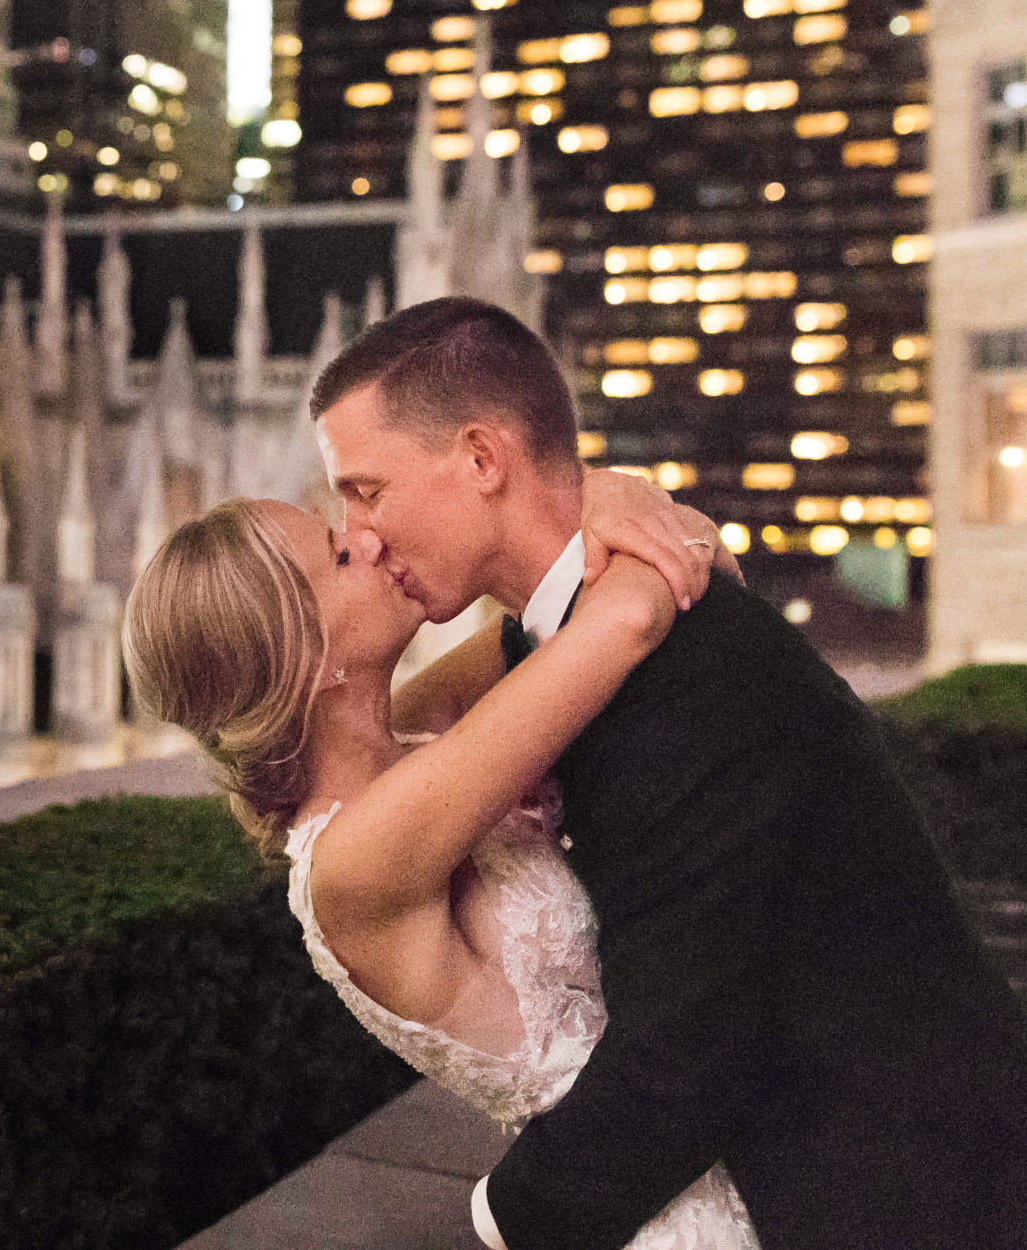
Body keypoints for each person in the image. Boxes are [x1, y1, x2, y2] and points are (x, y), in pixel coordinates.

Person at [310, 296, 1027, 1250]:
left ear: (480, 459)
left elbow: (681, 1069)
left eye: (366, 490)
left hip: (935, 1201)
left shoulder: (684, 677)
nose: (360, 532)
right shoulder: (553, 648)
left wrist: (493, 1221)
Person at [128, 473, 760, 1247]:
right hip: (671, 1212)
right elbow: (625, 618)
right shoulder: (354, 863)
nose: (368, 538)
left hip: (735, 1128)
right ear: (304, 659)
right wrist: (615, 506)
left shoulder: (416, 733)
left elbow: (574, 592)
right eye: (338, 555)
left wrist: (607, 504)